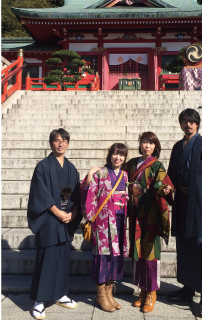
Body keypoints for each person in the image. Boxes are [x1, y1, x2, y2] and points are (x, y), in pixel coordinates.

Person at [167, 108, 202, 318]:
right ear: (181, 124)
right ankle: (187, 288)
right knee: (184, 245)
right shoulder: (176, 147)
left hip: (200, 201)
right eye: (184, 121)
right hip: (182, 202)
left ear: (197, 124)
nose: (188, 125)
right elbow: (171, 175)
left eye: (192, 121)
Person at [27, 128, 82, 319]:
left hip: (66, 220)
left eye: (64, 140)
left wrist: (73, 213)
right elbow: (39, 193)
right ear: (51, 143)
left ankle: (60, 293)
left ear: (68, 143)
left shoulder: (71, 168)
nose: (61, 144)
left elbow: (77, 195)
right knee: (47, 259)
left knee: (62, 257)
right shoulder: (43, 166)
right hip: (49, 219)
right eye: (57, 141)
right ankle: (39, 301)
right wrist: (58, 212)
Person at [127, 132, 174, 313]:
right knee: (138, 252)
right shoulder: (131, 164)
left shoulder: (157, 165)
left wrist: (164, 189)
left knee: (151, 254)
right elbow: (121, 178)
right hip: (135, 214)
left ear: (155, 146)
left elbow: (161, 184)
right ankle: (142, 290)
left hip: (151, 215)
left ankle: (152, 292)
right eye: (144, 142)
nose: (147, 146)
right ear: (140, 145)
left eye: (151, 143)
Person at [80, 143, 129, 312]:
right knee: (102, 256)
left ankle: (109, 293)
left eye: (121, 155)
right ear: (110, 155)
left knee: (115, 255)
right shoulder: (100, 173)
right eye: (115, 154)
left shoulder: (125, 174)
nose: (118, 158)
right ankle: (101, 294)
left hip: (119, 220)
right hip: (103, 221)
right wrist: (88, 177)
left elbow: (128, 196)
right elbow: (89, 193)